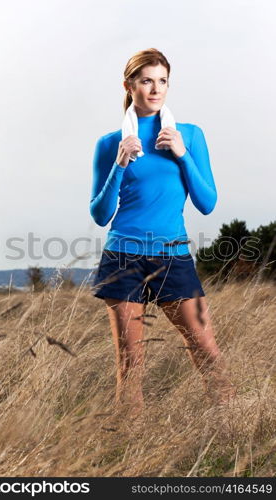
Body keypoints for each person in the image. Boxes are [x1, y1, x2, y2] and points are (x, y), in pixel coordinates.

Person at [89, 48, 236, 419]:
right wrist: (120, 164)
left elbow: (207, 203)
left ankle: (235, 431)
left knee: (207, 351)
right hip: (123, 257)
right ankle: (128, 455)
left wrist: (183, 155)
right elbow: (100, 213)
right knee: (130, 365)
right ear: (129, 85)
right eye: (146, 81)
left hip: (173, 256)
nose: (155, 89)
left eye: (162, 81)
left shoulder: (188, 134)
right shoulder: (110, 144)